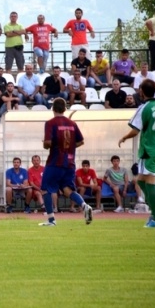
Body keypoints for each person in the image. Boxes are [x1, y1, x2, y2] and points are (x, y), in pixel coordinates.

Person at [118, 79, 155, 227]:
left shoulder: (144, 107)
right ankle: (154, 211)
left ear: (141, 91)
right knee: (140, 180)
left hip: (149, 149)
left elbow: (135, 129)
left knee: (150, 182)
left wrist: (124, 137)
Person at [39, 97, 93, 226]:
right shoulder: (72, 124)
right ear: (64, 108)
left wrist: (46, 145)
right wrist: (68, 147)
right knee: (67, 189)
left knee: (45, 189)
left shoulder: (50, 123)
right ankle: (84, 205)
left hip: (55, 162)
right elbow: (81, 141)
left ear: (53, 109)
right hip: (69, 163)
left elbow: (47, 143)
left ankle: (51, 220)